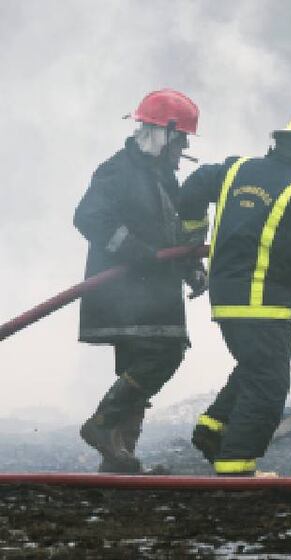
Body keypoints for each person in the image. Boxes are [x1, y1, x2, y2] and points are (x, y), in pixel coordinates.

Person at [177, 108, 291, 477]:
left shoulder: (236, 169)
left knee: (257, 368)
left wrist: (195, 231)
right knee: (269, 386)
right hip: (264, 304)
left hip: (225, 297)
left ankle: (212, 431)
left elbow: (190, 191)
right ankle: (236, 468)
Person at [75, 89, 207, 473]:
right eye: (180, 138)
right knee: (163, 354)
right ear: (162, 133)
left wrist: (190, 268)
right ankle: (101, 425)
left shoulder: (162, 177)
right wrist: (134, 251)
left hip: (153, 290)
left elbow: (173, 231)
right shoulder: (118, 171)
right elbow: (88, 217)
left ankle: (119, 458)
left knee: (138, 367)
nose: (182, 147)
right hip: (125, 292)